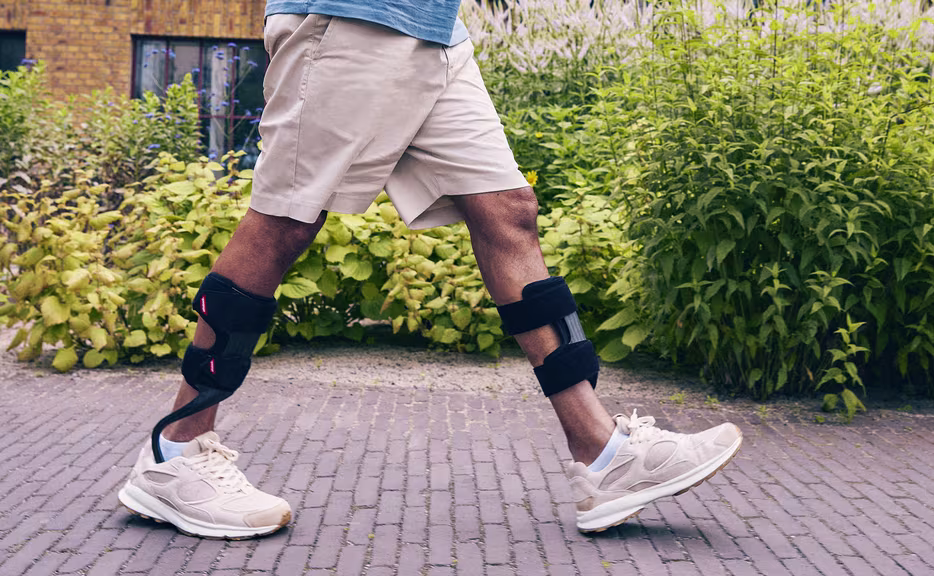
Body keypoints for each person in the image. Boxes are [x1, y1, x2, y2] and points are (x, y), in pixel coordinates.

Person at [117, 1, 742, 539]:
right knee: (287, 221)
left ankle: (604, 454)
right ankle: (177, 454)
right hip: (352, 20)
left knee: (508, 211)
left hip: (439, 27)